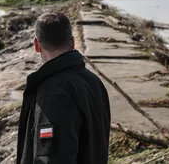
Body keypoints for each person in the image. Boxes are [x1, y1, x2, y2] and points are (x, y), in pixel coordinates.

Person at [16, 12, 111, 164]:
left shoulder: (52, 94)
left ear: (36, 45)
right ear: (72, 42)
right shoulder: (93, 82)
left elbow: (51, 158)